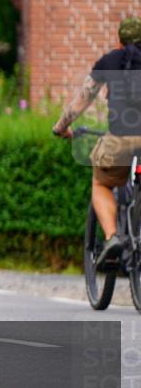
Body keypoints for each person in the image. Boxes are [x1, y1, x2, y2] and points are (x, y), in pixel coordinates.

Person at [53, 16, 141, 264]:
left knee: (101, 183)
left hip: (120, 140)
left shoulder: (110, 61)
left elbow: (83, 98)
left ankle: (112, 237)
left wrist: (61, 127)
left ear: (119, 41)